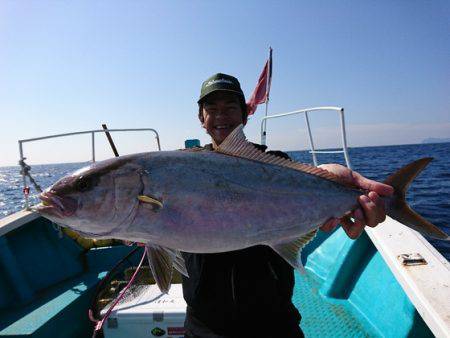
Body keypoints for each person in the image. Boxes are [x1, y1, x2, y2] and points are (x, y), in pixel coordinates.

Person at [182, 73, 393, 338]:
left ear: (245, 115)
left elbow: (303, 185)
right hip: (205, 325)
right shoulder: (186, 170)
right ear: (201, 119)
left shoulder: (274, 162)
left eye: (230, 108)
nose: (221, 116)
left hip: (273, 320)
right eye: (211, 110)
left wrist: (337, 188)